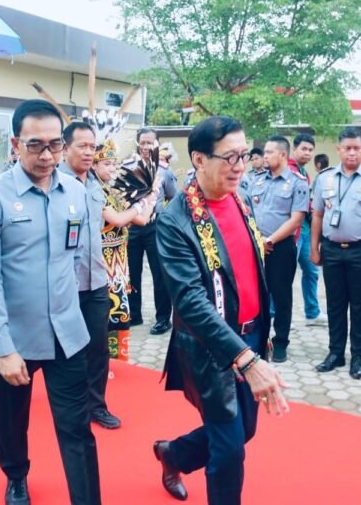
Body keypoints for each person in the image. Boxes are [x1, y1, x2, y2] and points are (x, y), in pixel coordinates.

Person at [0, 99, 101, 505]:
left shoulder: (75, 192)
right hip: (16, 337)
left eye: (55, 145)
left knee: (77, 427)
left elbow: (75, 259)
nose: (47, 155)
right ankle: (16, 476)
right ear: (15, 144)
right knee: (13, 418)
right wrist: (3, 347)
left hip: (67, 334)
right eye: (35, 145)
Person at [153, 116, 288, 505]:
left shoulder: (240, 199)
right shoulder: (176, 220)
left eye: (244, 155)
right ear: (199, 159)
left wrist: (258, 343)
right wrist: (245, 360)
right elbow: (191, 301)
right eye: (229, 157)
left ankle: (173, 454)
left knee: (245, 431)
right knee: (229, 451)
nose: (240, 165)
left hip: (252, 334)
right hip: (211, 347)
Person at [310, 127, 361, 379]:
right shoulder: (324, 178)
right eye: (347, 148)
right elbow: (317, 215)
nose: (352, 153)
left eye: (357, 148)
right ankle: (335, 353)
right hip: (332, 250)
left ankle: (357, 356)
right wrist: (314, 248)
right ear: (339, 150)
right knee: (335, 304)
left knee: (359, 305)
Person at [60, 121, 123, 430]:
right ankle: (68, 402)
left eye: (92, 147)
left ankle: (96, 405)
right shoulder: (54, 184)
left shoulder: (96, 185)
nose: (88, 152)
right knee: (66, 348)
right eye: (81, 146)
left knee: (98, 347)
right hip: (65, 282)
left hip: (96, 279)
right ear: (65, 148)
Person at [92, 140, 156, 363]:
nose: (111, 168)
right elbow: (118, 219)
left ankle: (117, 364)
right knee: (103, 316)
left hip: (119, 262)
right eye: (106, 164)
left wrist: (150, 198)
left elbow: (141, 220)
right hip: (100, 262)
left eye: (113, 164)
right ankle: (101, 363)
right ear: (94, 165)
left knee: (119, 314)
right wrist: (139, 205)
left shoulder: (112, 190)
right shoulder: (93, 190)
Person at [251, 135, 308, 362]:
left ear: (282, 155)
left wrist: (270, 241)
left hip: (280, 248)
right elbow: (247, 211)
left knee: (281, 296)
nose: (264, 156)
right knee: (257, 294)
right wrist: (258, 240)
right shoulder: (257, 180)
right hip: (255, 246)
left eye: (269, 153)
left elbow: (296, 219)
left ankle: (281, 341)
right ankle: (258, 337)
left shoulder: (297, 183)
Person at [127, 128, 177, 335]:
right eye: (143, 143)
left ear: (158, 144)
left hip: (155, 227)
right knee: (132, 272)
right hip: (132, 225)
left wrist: (162, 217)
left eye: (150, 143)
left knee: (159, 274)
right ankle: (133, 314)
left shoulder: (164, 172)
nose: (146, 147)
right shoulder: (128, 167)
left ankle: (163, 319)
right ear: (137, 144)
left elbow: (173, 198)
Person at [290, 133, 327, 327]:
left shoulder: (304, 172)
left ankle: (312, 312)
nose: (307, 153)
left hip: (305, 230)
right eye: (304, 149)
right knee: (285, 275)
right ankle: (275, 315)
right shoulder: (287, 170)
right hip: (291, 232)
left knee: (312, 271)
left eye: (311, 150)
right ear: (294, 148)